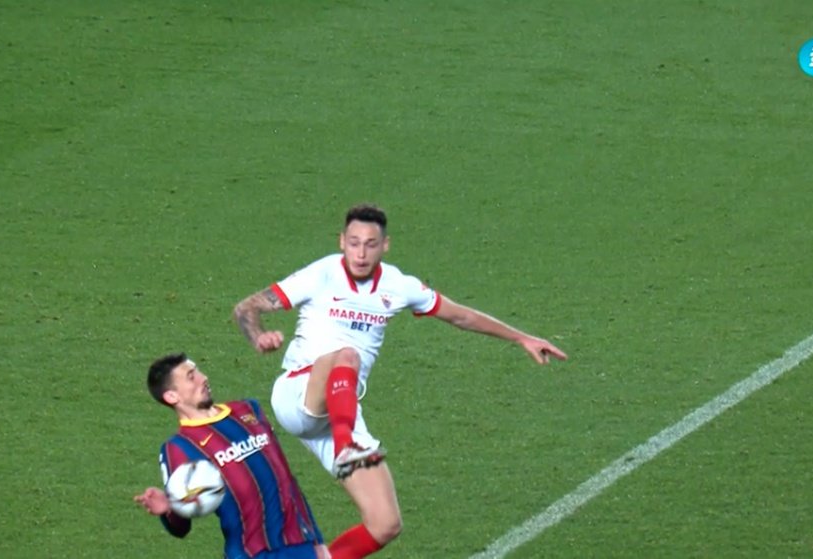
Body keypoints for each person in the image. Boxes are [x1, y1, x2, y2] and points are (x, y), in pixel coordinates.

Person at [232, 204, 568, 559]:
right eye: (354, 243)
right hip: (299, 393)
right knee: (347, 355)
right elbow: (247, 307)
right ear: (341, 241)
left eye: (370, 244)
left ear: (386, 245)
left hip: (340, 409)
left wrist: (521, 338)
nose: (361, 253)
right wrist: (258, 337)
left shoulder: (399, 285)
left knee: (385, 523)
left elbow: (461, 316)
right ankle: (348, 447)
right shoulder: (321, 274)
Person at [134, 352, 331, 559]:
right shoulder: (179, 447)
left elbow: (283, 477)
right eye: (191, 376)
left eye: (198, 370)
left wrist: (314, 541)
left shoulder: (248, 409)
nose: (203, 377)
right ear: (172, 396)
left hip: (303, 541)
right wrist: (170, 508)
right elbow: (180, 527)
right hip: (254, 553)